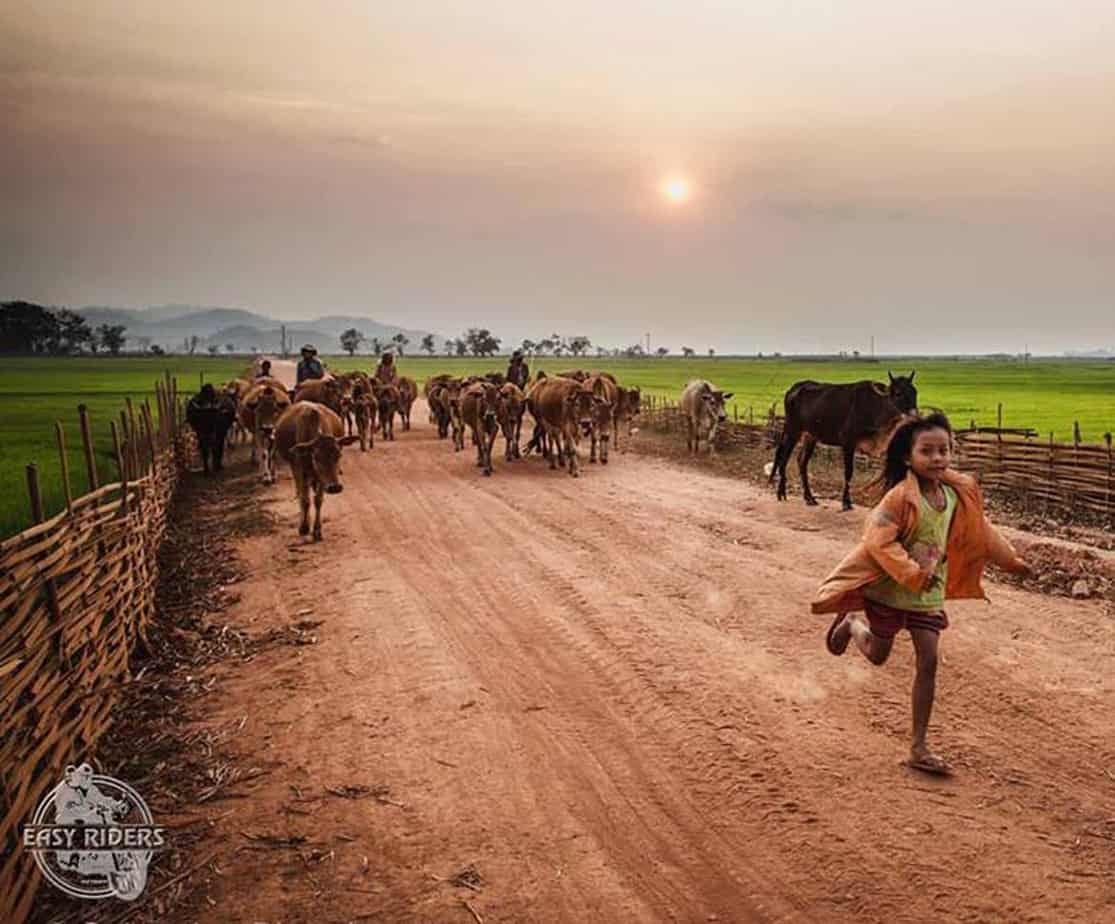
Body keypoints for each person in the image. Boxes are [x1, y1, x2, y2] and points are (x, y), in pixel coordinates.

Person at [813, 411, 1030, 776]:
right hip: (889, 592)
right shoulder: (899, 499)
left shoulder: (955, 495)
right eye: (927, 451)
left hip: (928, 596)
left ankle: (918, 747)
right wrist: (912, 573)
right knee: (879, 655)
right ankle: (852, 623)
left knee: (928, 660)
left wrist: (1012, 561)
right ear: (907, 457)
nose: (938, 458)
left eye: (944, 450)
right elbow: (878, 542)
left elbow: (982, 532)